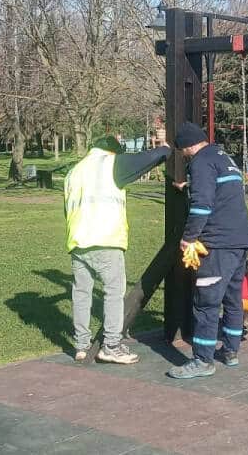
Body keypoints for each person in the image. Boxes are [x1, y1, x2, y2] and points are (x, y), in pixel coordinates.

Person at [64, 135, 170, 364]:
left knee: (81, 294)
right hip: (106, 240)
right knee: (113, 293)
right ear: (113, 152)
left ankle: (82, 345)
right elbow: (147, 158)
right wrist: (166, 149)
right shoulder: (111, 163)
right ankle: (111, 346)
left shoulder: (74, 171)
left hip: (78, 242)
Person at [167, 122, 248, 380]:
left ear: (187, 146)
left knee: (206, 302)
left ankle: (202, 360)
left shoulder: (200, 162)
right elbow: (220, 193)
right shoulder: (224, 158)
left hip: (217, 244)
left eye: (181, 150)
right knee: (233, 299)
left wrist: (188, 238)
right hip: (239, 240)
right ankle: (231, 351)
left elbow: (202, 205)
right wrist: (189, 187)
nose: (183, 155)